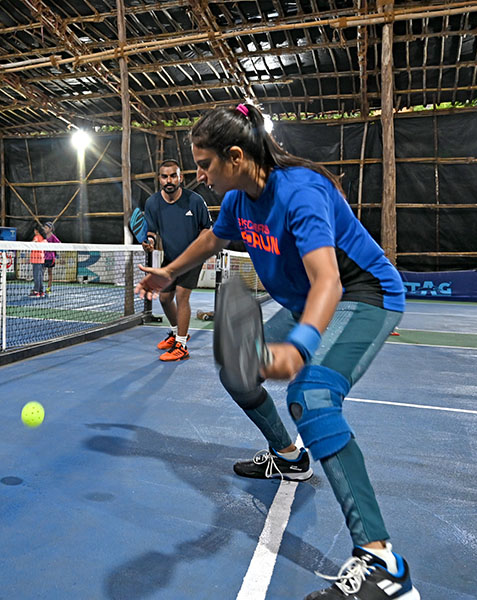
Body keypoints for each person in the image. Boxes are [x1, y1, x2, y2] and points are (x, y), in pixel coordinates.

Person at [136, 104, 416, 600]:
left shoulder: (300, 193)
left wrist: (301, 347)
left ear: (237, 156)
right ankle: (290, 458)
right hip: (311, 297)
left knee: (313, 394)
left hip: (363, 294)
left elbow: (328, 279)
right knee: (238, 373)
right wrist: (170, 271)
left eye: (205, 165)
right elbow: (211, 239)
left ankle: (384, 565)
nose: (198, 176)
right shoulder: (239, 200)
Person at [143, 159, 212, 362]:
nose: (169, 180)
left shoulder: (195, 200)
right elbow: (151, 231)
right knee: (164, 298)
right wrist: (149, 242)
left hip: (192, 257)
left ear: (180, 177)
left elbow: (206, 228)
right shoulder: (153, 203)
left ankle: (181, 346)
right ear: (160, 179)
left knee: (182, 296)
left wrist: (194, 250)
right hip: (171, 258)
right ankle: (177, 333)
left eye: (173, 175)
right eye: (165, 176)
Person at [42, 222, 60, 294]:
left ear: (50, 229)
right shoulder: (44, 236)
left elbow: (59, 244)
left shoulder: (53, 236)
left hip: (50, 258)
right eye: (44, 228)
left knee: (50, 273)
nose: (45, 229)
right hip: (43, 257)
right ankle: (40, 288)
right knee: (41, 272)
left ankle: (49, 288)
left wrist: (51, 247)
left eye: (46, 228)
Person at [29, 224, 46, 297]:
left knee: (36, 276)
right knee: (40, 276)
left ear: (36, 231)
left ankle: (36, 291)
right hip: (42, 259)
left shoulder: (36, 237)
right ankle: (41, 291)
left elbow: (34, 242)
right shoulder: (43, 239)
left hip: (36, 260)